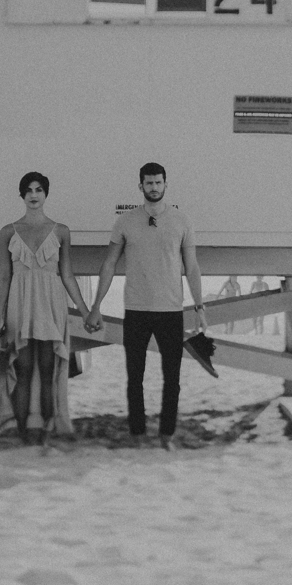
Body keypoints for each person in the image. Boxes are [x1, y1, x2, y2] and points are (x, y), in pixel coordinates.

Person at [88, 160, 207, 448]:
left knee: (172, 379)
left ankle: (166, 435)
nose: (154, 187)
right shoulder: (125, 221)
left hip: (170, 310)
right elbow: (109, 264)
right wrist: (96, 306)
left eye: (158, 182)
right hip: (137, 309)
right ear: (140, 186)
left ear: (166, 184)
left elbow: (192, 268)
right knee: (135, 378)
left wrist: (199, 306)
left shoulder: (182, 221)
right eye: (149, 183)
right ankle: (138, 435)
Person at [0, 171, 93, 449]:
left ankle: (47, 430)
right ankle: (26, 433)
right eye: (28, 190)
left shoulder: (61, 231)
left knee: (49, 368)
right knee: (22, 368)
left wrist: (85, 312)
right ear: (22, 195)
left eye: (38, 190)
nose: (33, 195)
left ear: (46, 194)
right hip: (20, 303)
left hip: (51, 303)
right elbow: (4, 277)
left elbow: (68, 275)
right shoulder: (7, 232)